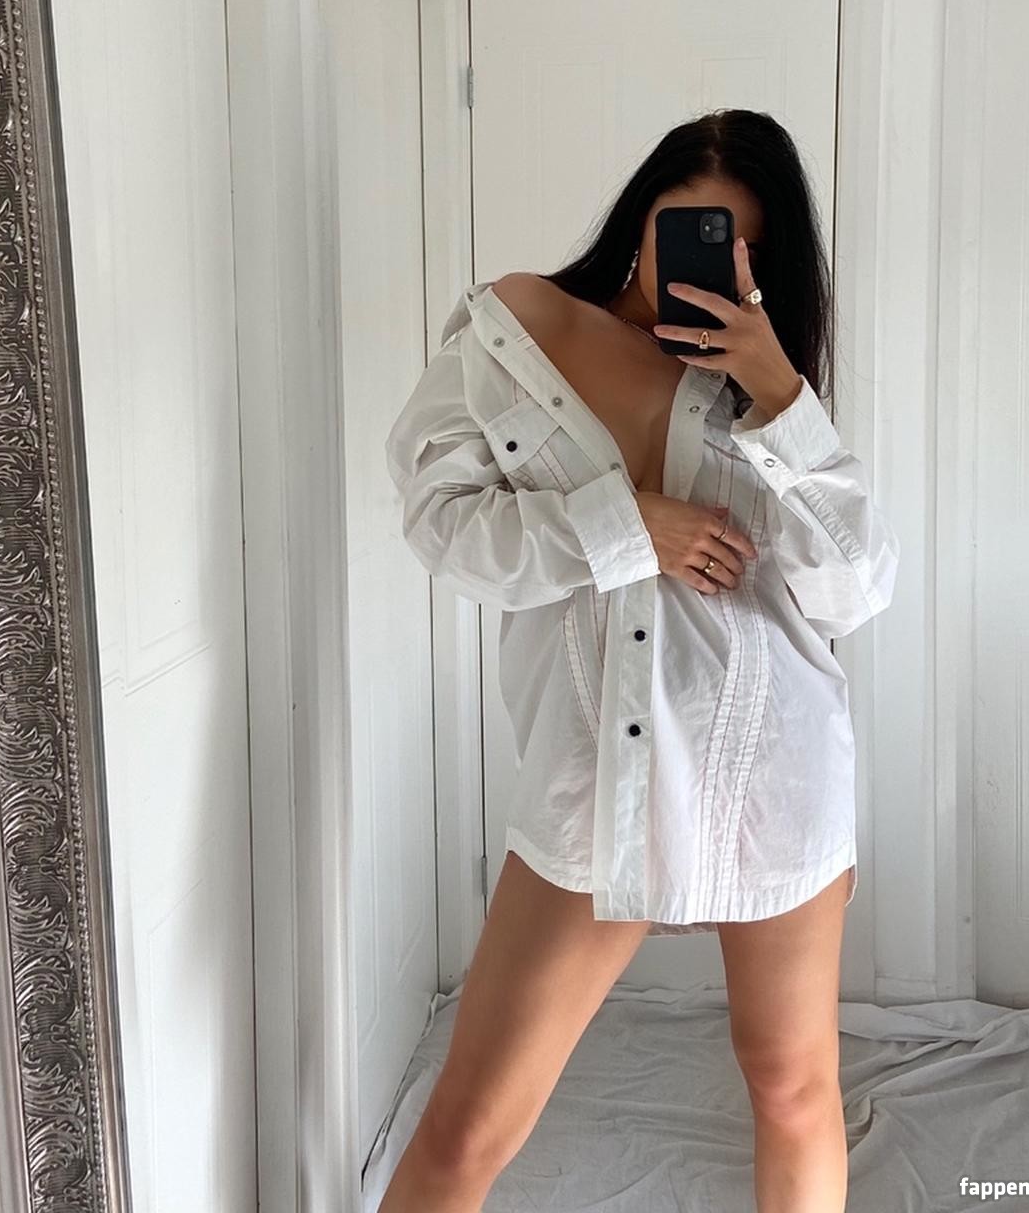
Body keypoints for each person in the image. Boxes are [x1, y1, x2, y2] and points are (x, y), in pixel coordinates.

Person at [379, 108, 900, 1212]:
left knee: (792, 1089)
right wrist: (629, 528)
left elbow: (855, 594)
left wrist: (782, 396)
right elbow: (443, 524)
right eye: (695, 229)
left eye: (748, 248)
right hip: (595, 776)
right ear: (643, 213)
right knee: (467, 1125)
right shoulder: (515, 327)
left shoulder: (766, 391)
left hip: (773, 768)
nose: (716, 264)